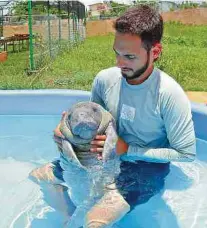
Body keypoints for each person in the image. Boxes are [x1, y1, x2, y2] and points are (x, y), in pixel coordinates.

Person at [54, 4, 196, 216]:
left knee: (97, 218)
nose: (119, 64)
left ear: (155, 51)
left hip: (145, 168)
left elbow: (186, 154)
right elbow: (96, 124)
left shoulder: (169, 95)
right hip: (105, 158)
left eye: (129, 57)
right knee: (46, 177)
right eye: (117, 53)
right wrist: (67, 131)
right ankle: (69, 217)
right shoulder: (105, 80)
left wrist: (127, 150)